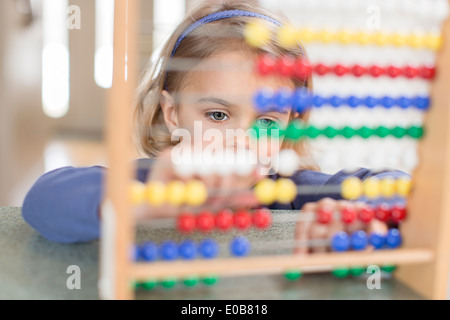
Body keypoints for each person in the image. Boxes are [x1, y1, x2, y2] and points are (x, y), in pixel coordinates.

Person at [22, 0, 407, 251]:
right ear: (173, 114)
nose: (242, 142)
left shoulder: (294, 193)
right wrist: (135, 204)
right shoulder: (149, 184)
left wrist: (355, 215)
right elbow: (44, 199)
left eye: (267, 121)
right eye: (218, 116)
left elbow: (398, 189)